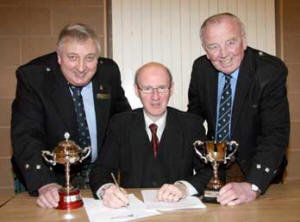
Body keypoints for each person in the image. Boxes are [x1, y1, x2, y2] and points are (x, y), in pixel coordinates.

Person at [11, 23, 131, 208]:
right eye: (73, 57)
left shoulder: (108, 72)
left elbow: (123, 120)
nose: (81, 67)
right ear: (59, 57)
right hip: (49, 173)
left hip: (97, 173)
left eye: (89, 58)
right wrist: (44, 182)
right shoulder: (34, 77)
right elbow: (27, 134)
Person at [188, 13, 290, 205]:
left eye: (231, 42)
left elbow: (275, 134)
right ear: (205, 50)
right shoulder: (201, 68)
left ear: (244, 41)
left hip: (257, 165)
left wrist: (253, 185)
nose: (224, 54)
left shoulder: (270, 70)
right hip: (215, 167)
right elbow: (194, 118)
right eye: (214, 47)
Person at [89, 62, 212, 208]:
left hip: (179, 212)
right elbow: (101, 170)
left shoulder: (191, 124)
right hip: (132, 210)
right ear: (136, 90)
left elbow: (209, 170)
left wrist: (184, 188)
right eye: (147, 89)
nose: (155, 97)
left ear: (171, 89)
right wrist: (106, 190)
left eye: (161, 88)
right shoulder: (120, 124)